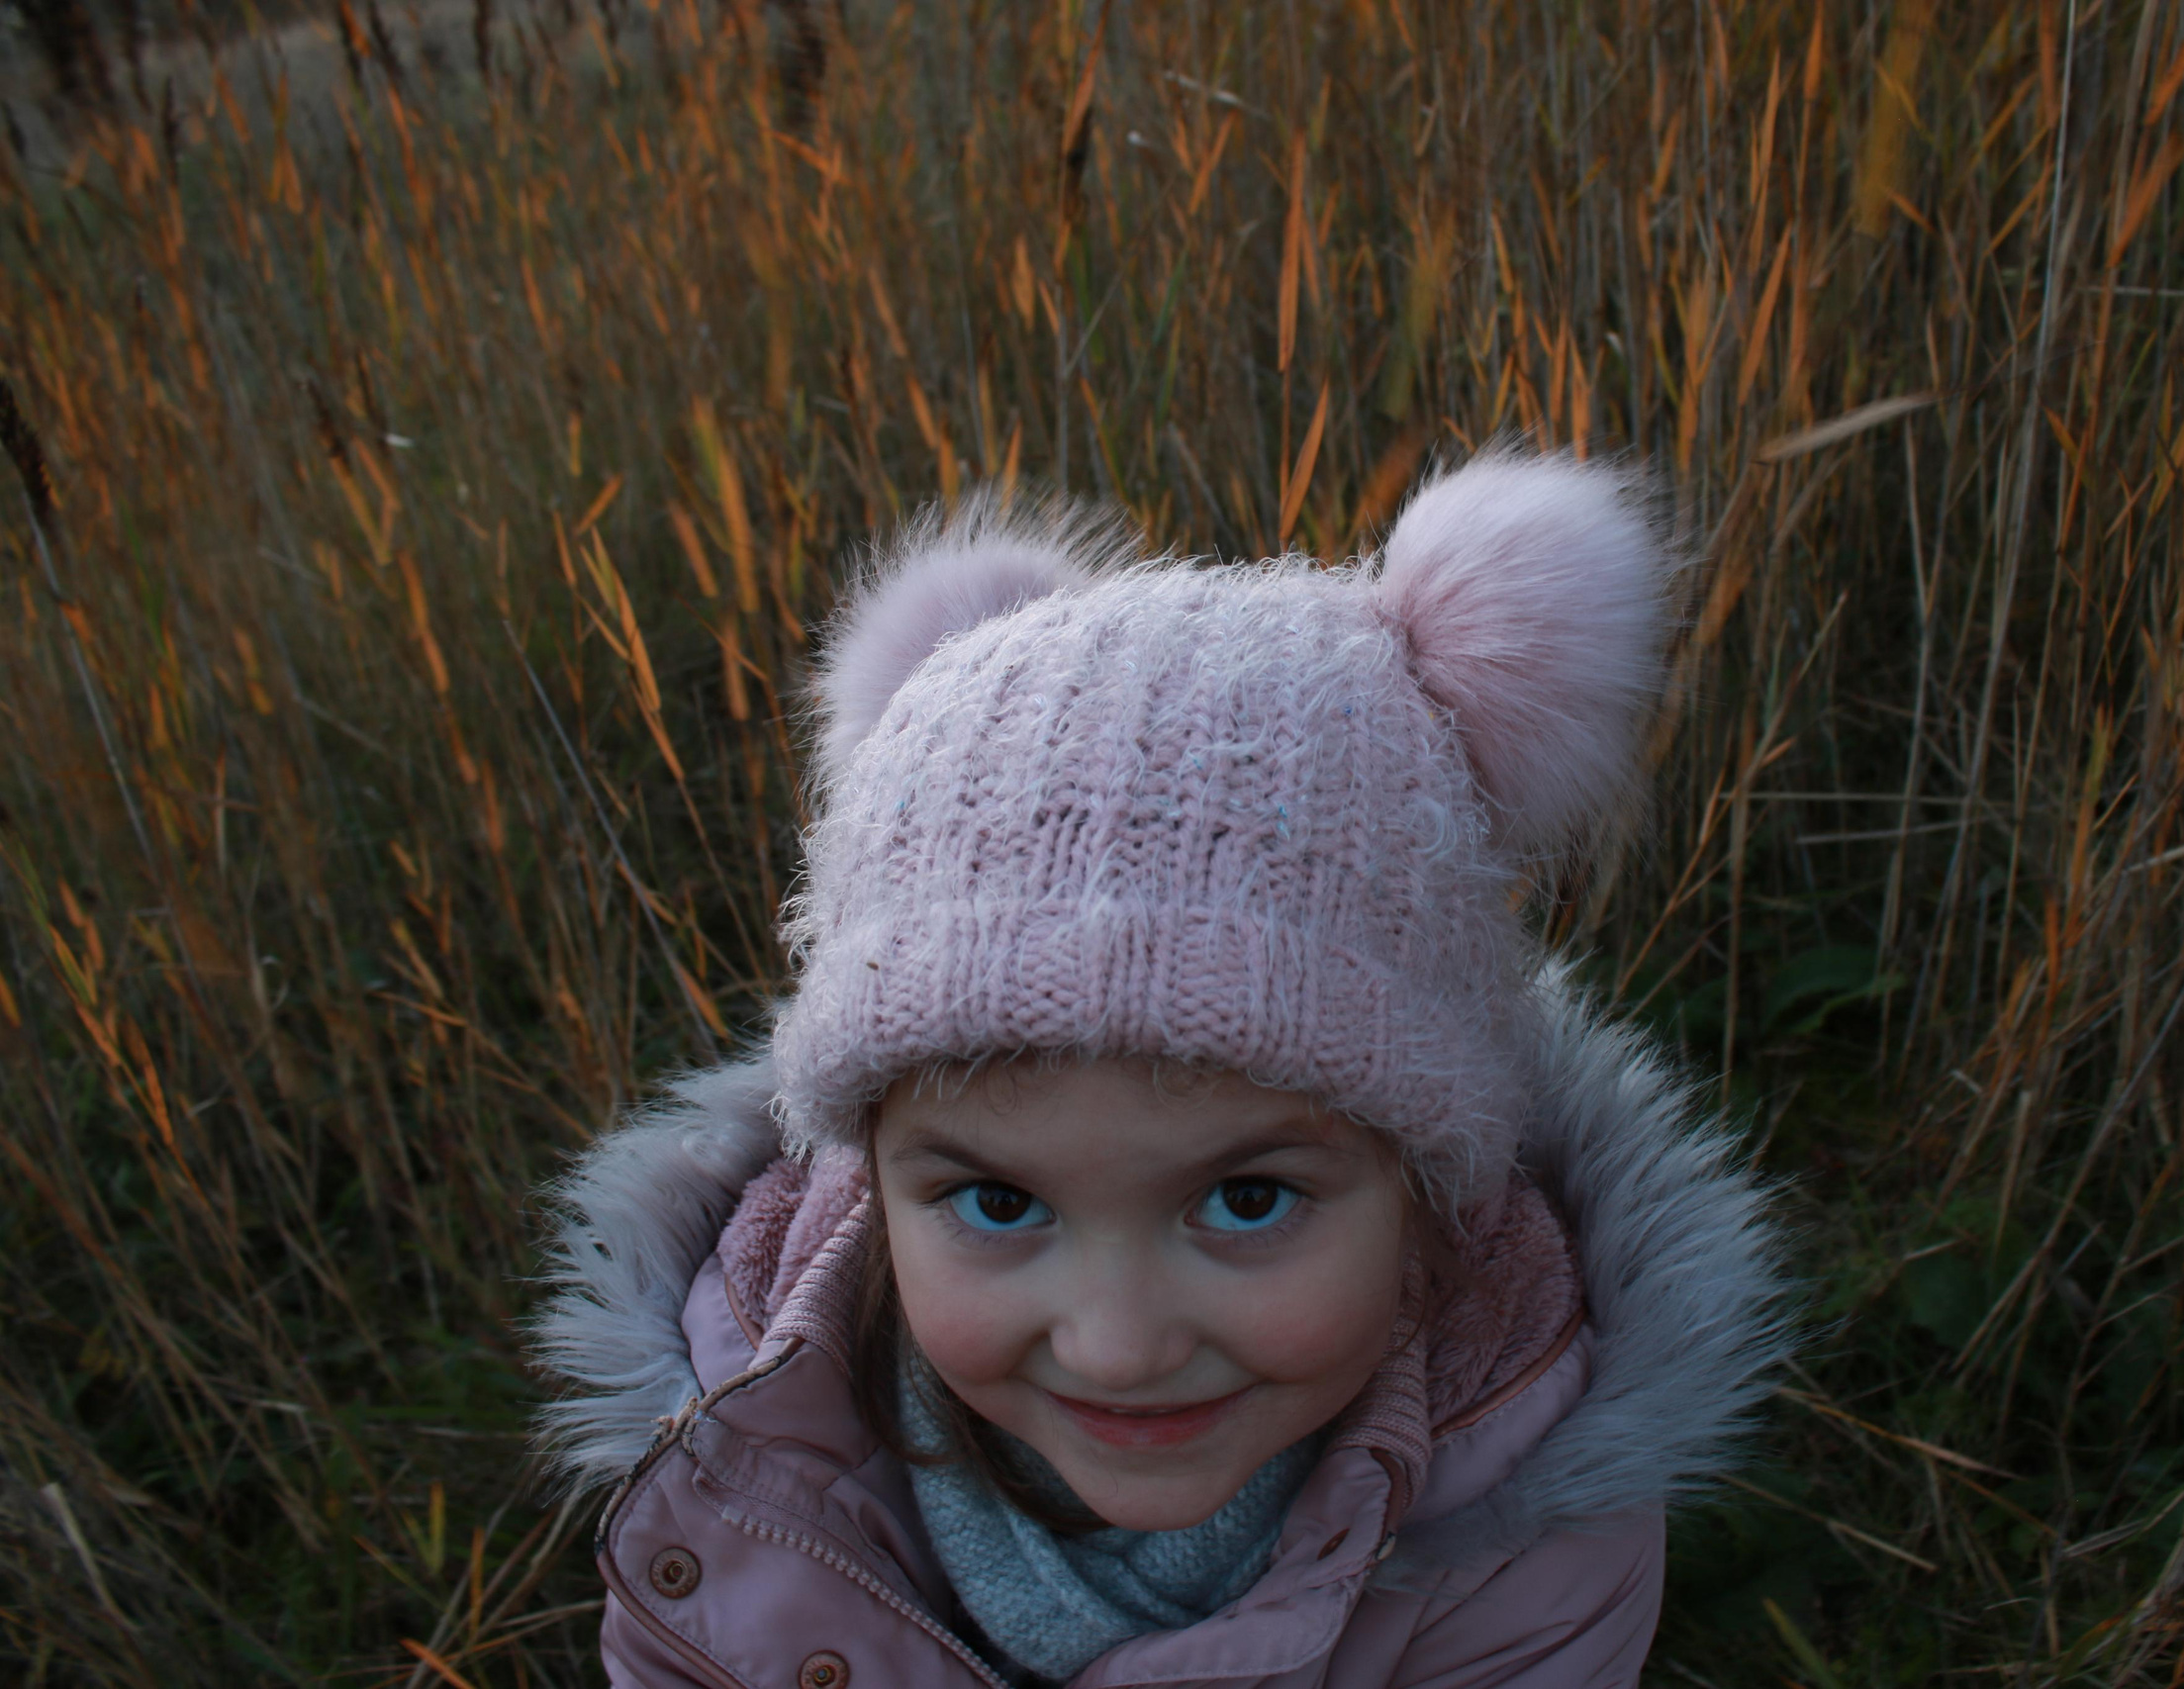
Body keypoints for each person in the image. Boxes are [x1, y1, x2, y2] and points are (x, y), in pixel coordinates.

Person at [530, 450, 1786, 1689]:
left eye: (1247, 1200)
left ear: (1424, 1181)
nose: (1117, 1349)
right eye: (998, 1203)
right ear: (869, 1170)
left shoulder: (1523, 1518)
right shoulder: (736, 1449)